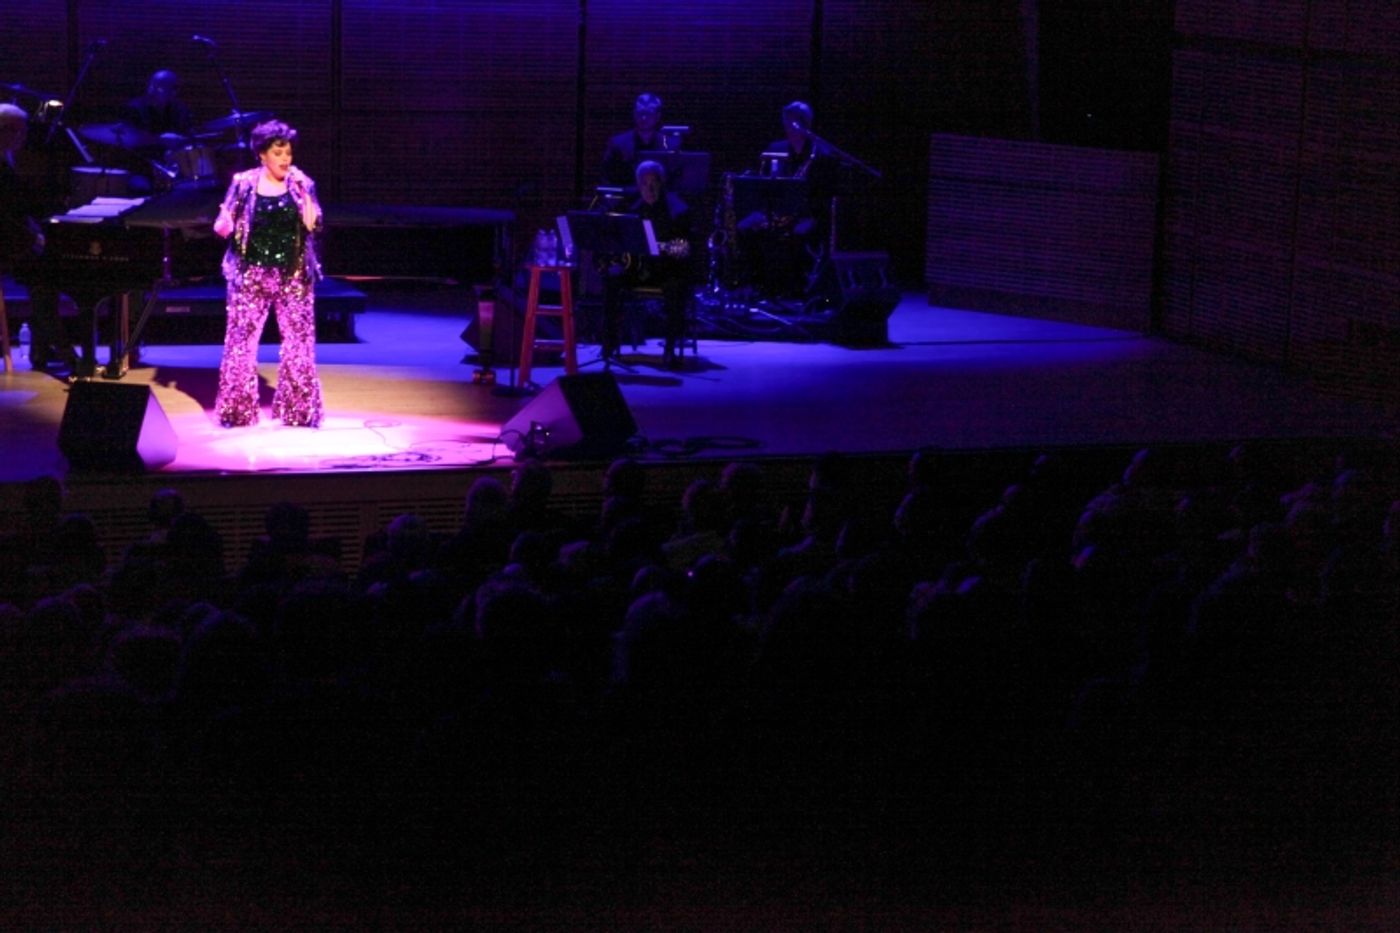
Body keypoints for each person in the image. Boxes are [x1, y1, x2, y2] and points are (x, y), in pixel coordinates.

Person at [211, 119, 324, 428]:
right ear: (262, 154)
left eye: (288, 153)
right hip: (250, 275)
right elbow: (223, 225)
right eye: (278, 153)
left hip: (294, 275)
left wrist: (304, 192)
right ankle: (237, 411)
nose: (285, 159)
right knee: (241, 344)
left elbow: (314, 225)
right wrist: (224, 221)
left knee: (299, 345)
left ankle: (298, 411)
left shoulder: (302, 183)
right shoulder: (244, 182)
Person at [738, 100, 835, 299]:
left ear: (806, 124)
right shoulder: (776, 148)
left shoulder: (821, 153)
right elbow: (763, 184)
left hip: (807, 214)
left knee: (795, 236)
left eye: (794, 121)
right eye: (787, 121)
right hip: (777, 211)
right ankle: (756, 284)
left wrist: (811, 215)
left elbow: (824, 193)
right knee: (745, 228)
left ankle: (793, 290)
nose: (789, 125)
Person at [601, 160, 693, 368]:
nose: (649, 188)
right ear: (638, 185)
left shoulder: (677, 210)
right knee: (611, 280)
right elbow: (620, 241)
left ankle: (670, 348)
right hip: (638, 269)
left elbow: (686, 248)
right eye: (644, 183)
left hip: (667, 269)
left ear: (662, 184)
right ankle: (609, 344)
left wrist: (670, 249)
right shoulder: (632, 210)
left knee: (676, 287)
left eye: (654, 183)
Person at [0, 103, 70, 372]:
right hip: (5, 243)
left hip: (10, 237)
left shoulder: (6, 159)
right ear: (7, 132)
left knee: (43, 274)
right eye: (21, 131)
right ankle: (63, 352)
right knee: (44, 274)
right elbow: (7, 217)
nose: (25, 137)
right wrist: (34, 238)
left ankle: (42, 351)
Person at [600, 92, 663, 189]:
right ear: (634, 113)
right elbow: (606, 178)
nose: (644, 118)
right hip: (626, 200)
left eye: (649, 113)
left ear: (658, 116)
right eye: (640, 113)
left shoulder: (667, 144)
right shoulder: (618, 143)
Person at [120, 69, 193, 142]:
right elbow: (130, 137)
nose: (173, 92)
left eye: (174, 88)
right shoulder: (134, 108)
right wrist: (159, 139)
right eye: (153, 85)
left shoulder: (180, 109)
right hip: (144, 151)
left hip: (174, 152)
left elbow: (186, 133)